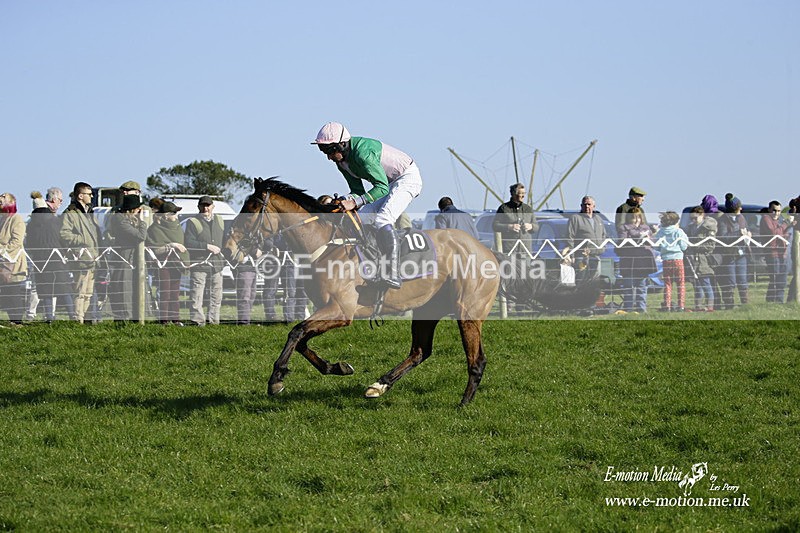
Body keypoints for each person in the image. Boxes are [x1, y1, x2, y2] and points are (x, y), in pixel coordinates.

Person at [312, 121, 422, 289]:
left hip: (407, 178)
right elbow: (357, 190)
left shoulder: (363, 153)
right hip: (390, 183)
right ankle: (374, 264)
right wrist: (344, 200)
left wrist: (354, 202)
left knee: (383, 219)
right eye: (323, 151)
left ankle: (393, 272)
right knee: (362, 219)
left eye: (329, 150)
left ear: (342, 144)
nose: (328, 157)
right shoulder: (341, 162)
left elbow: (382, 188)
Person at [25, 187, 75, 321]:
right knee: (65, 290)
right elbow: (63, 238)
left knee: (46, 290)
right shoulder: (55, 221)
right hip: (57, 258)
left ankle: (49, 317)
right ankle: (73, 316)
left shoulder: (31, 224)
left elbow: (29, 243)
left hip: (41, 261)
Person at [60, 182, 100, 323]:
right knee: (80, 291)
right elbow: (64, 234)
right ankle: (78, 319)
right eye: (89, 194)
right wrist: (81, 239)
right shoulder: (70, 213)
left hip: (93, 257)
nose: (91, 196)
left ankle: (87, 317)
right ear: (80, 196)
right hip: (80, 257)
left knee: (88, 292)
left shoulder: (90, 212)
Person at [184, 195, 225, 325]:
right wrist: (206, 246)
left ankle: (214, 322)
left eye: (208, 205)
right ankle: (198, 322)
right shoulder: (193, 222)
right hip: (199, 264)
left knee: (216, 296)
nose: (205, 208)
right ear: (198, 207)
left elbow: (225, 239)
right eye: (203, 205)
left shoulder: (220, 220)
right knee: (196, 296)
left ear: (213, 206)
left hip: (217, 264)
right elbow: (188, 243)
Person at [106, 194, 148, 321]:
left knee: (136, 287)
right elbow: (141, 235)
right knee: (124, 287)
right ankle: (125, 317)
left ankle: (137, 316)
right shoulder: (120, 219)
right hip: (124, 258)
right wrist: (142, 222)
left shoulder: (129, 219)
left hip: (134, 258)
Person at [146, 200, 188, 325]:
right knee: (165, 292)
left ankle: (175, 319)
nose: (176, 216)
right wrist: (171, 246)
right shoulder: (154, 229)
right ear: (165, 215)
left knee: (175, 293)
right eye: (173, 213)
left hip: (177, 263)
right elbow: (154, 248)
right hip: (163, 265)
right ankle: (163, 319)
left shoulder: (178, 226)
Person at [616, 207, 655, 312]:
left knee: (642, 287)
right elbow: (622, 241)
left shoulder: (646, 228)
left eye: (638, 217)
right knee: (629, 286)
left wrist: (648, 239)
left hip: (643, 261)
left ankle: (642, 309)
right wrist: (638, 236)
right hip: (629, 261)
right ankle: (628, 309)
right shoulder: (623, 228)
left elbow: (652, 242)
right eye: (634, 217)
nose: (637, 220)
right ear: (629, 218)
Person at [716, 194, 750, 309]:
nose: (741, 209)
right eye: (739, 207)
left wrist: (749, 234)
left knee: (743, 280)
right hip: (729, 255)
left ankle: (745, 305)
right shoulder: (722, 220)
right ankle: (729, 305)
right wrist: (738, 234)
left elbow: (746, 229)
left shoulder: (742, 218)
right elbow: (723, 236)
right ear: (733, 209)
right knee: (730, 281)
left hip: (741, 254)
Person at [563, 196, 606, 283]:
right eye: (585, 204)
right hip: (581, 256)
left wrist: (602, 248)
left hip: (596, 256)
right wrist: (572, 255)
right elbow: (570, 237)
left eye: (589, 204)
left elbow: (604, 235)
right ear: (581, 205)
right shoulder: (575, 218)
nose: (587, 206)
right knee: (581, 281)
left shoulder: (598, 219)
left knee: (594, 282)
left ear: (593, 206)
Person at [759, 200, 795, 303]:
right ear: (769, 209)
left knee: (782, 280)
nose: (776, 213)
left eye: (779, 211)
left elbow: (784, 233)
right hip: (772, 253)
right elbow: (774, 232)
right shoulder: (766, 219)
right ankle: (773, 300)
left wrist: (791, 224)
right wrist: (786, 223)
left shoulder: (780, 220)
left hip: (782, 253)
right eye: (774, 210)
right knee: (775, 279)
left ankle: (777, 301)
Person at [0, 193, 28, 325]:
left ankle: (17, 321)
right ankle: (12, 320)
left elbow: (16, 241)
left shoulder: (16, 219)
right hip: (3, 262)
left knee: (14, 292)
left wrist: (3, 251)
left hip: (13, 262)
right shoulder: (3, 219)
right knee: (6, 292)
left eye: (2, 202)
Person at [654, 211, 689, 312]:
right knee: (681, 283)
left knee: (668, 284)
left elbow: (656, 246)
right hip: (678, 259)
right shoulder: (678, 231)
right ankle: (681, 305)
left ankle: (667, 305)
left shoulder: (661, 232)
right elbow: (684, 245)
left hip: (666, 260)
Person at [686, 206, 718, 312]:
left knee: (706, 283)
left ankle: (710, 306)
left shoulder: (709, 227)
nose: (693, 221)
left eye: (695, 218)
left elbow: (711, 245)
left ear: (702, 215)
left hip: (704, 260)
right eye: (691, 219)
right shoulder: (691, 227)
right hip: (693, 260)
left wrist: (695, 246)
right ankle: (698, 306)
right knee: (696, 285)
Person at [492, 183, 538, 255]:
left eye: (524, 193)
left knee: (526, 266)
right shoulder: (504, 208)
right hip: (509, 250)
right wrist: (509, 227)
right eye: (521, 193)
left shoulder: (528, 209)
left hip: (525, 250)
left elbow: (536, 226)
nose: (523, 195)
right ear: (513, 194)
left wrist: (531, 226)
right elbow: (495, 225)